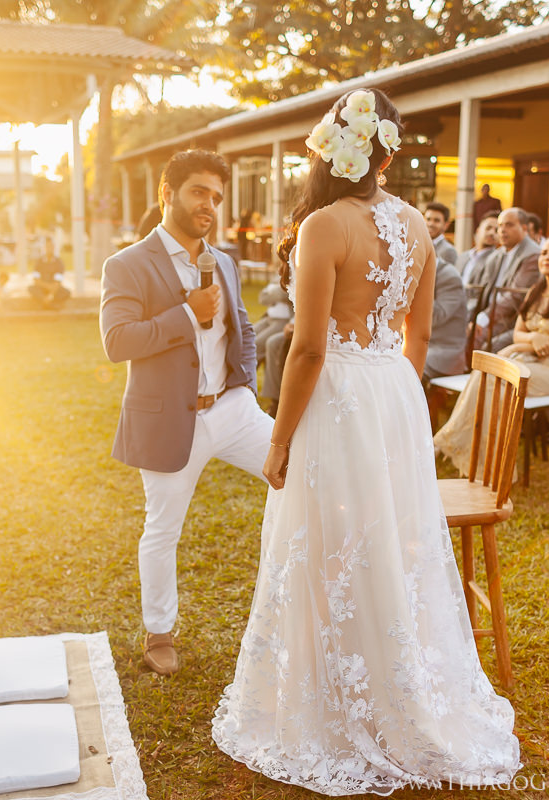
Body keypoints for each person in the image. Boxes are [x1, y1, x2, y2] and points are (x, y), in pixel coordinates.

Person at [212, 88, 521, 793]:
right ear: (385, 151)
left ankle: (335, 699)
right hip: (391, 391)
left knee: (326, 544)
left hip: (342, 395)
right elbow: (418, 338)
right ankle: (394, 683)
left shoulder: (324, 225)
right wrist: (393, 396)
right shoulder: (419, 225)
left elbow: (308, 349)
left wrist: (280, 438)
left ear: (328, 150)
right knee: (389, 541)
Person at [99, 149, 274, 676]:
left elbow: (240, 325)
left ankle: (307, 605)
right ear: (167, 193)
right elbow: (116, 341)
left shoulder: (223, 261)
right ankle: (159, 634)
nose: (210, 206)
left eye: (216, 198)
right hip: (171, 418)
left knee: (298, 472)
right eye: (200, 192)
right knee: (163, 529)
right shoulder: (127, 264)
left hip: (233, 408)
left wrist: (242, 385)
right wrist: (184, 314)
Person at [435, 235, 549, 474]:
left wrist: (519, 346)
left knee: (496, 382)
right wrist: (533, 339)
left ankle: (484, 461)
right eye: (545, 252)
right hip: (527, 363)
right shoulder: (535, 291)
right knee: (486, 374)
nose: (547, 257)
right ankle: (472, 452)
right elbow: (518, 334)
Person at [470, 206, 540, 351]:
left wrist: (485, 318)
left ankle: (475, 372)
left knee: (483, 342)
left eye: (509, 225)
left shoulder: (533, 255)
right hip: (489, 315)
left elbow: (515, 296)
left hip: (511, 321)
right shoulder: (496, 255)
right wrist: (472, 318)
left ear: (524, 228)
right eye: (500, 225)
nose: (502, 230)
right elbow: (482, 292)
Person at [425, 255, 470, 382]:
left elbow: (436, 317)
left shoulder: (449, 276)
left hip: (443, 353)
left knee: (405, 372)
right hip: (416, 344)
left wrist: (417, 286)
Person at [28, 237, 71, 309]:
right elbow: (36, 280)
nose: (49, 249)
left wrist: (51, 294)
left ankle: (46, 303)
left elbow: (57, 282)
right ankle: (49, 303)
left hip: (54, 289)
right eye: (47, 247)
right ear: (44, 248)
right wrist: (47, 286)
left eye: (51, 247)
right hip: (41, 287)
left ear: (54, 248)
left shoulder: (59, 263)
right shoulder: (39, 262)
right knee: (31, 289)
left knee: (66, 293)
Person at [457, 214, 499, 286]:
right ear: (478, 230)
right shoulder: (463, 256)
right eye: (488, 228)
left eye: (496, 230)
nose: (492, 233)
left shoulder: (497, 259)